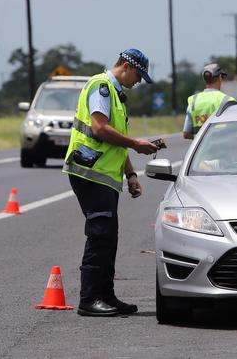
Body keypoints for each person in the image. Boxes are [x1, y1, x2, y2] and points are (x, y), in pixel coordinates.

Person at [62, 48, 158, 317]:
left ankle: (106, 296)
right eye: (139, 74)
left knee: (109, 237)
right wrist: (136, 144)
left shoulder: (117, 95)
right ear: (126, 66)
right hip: (90, 172)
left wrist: (130, 174)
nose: (139, 81)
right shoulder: (101, 86)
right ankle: (89, 299)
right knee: (100, 234)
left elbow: (116, 142)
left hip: (105, 176)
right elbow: (99, 128)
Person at [182, 63, 236, 139]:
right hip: (223, 147)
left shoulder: (193, 101)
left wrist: (203, 139)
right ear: (220, 77)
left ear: (205, 80)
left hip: (204, 149)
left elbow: (186, 134)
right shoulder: (227, 101)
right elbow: (235, 129)